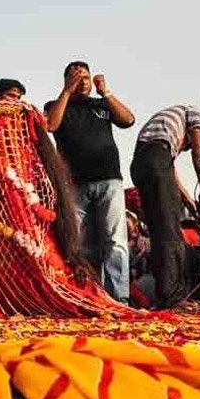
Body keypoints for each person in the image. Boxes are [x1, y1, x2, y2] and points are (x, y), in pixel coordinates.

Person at [44, 61, 136, 303]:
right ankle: (89, 296)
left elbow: (128, 120)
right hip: (74, 184)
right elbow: (50, 125)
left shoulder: (101, 105)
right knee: (81, 244)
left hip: (109, 180)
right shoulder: (56, 106)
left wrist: (105, 91)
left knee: (115, 241)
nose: (82, 81)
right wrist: (66, 91)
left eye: (86, 77)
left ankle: (119, 298)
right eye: (76, 77)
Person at [130, 105, 200, 310]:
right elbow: (199, 155)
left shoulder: (162, 135)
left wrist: (192, 205)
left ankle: (167, 294)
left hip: (142, 165)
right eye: (188, 146)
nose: (187, 148)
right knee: (170, 233)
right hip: (155, 162)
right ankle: (173, 298)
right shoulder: (193, 113)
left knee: (161, 230)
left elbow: (171, 176)